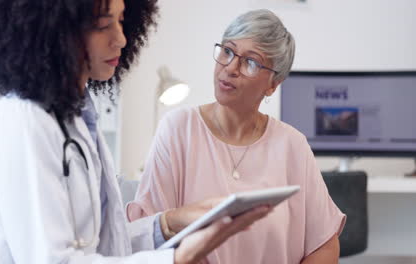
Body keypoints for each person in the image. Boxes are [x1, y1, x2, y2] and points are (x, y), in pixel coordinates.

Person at [0, 1, 273, 263]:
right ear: (54, 32)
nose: (121, 38)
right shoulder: (21, 123)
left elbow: (103, 245)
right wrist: (177, 258)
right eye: (104, 25)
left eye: (121, 20)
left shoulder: (78, 119)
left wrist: (170, 223)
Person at [127, 9, 346, 264]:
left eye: (250, 62)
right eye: (227, 52)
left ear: (273, 84)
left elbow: (325, 245)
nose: (230, 68)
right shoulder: (178, 129)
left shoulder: (292, 145)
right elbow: (149, 234)